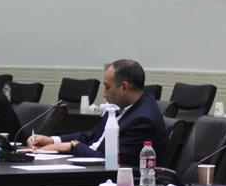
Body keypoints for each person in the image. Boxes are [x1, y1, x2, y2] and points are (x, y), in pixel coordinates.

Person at [27, 59, 166, 166]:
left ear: (124, 87)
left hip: (107, 179)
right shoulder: (122, 107)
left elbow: (108, 160)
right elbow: (92, 135)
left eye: (107, 87)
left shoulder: (143, 120)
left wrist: (73, 145)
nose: (104, 94)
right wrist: (51, 140)